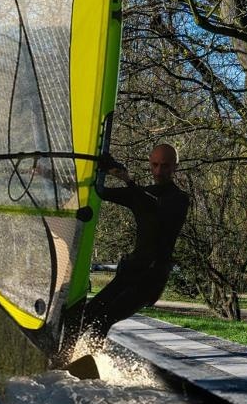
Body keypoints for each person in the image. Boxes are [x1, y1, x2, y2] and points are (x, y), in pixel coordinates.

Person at [62, 142, 190, 357]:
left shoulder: (179, 199)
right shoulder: (141, 194)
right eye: (155, 165)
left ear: (175, 167)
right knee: (87, 315)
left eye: (165, 166)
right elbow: (100, 192)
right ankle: (64, 356)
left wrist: (128, 180)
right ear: (150, 164)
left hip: (151, 278)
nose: (159, 171)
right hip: (130, 271)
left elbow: (155, 207)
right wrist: (51, 176)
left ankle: (91, 360)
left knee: (104, 319)